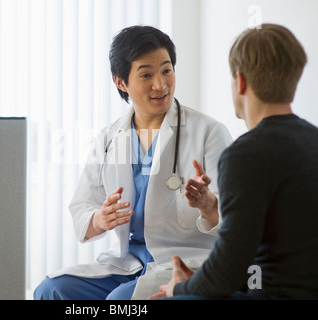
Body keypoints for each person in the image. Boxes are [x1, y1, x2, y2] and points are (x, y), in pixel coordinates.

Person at [34, 25, 232, 300]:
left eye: (166, 70)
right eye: (146, 75)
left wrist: (209, 205)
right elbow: (82, 207)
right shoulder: (109, 138)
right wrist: (101, 219)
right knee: (51, 290)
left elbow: (237, 218)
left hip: (185, 263)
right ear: (121, 82)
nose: (160, 85)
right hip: (128, 264)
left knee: (119, 302)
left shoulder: (208, 132)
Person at [151, 23, 318, 300]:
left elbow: (229, 269)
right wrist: (203, 281)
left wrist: (178, 288)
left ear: (240, 82)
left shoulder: (245, 156)